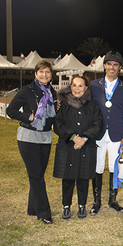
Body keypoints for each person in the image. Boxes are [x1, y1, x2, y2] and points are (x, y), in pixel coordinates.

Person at [6, 60, 57, 224]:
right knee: (36, 176)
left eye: (47, 72)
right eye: (41, 72)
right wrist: (28, 117)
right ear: (35, 74)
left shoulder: (52, 93)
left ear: (51, 74)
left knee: (38, 175)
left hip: (46, 137)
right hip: (28, 137)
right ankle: (44, 213)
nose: (44, 75)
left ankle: (32, 207)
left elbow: (55, 115)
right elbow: (10, 110)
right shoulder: (26, 91)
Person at [53, 75, 103, 220]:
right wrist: (74, 137)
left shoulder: (93, 105)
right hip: (68, 145)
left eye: (80, 85)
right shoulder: (63, 104)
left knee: (83, 177)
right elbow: (58, 125)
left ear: (86, 88)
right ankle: (66, 206)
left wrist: (84, 138)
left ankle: (82, 205)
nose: (77, 89)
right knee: (68, 178)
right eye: (74, 85)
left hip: (86, 146)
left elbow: (97, 125)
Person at [90, 50, 123, 215]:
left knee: (115, 168)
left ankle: (113, 200)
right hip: (98, 133)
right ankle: (96, 202)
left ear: (119, 68)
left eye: (115, 65)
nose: (112, 67)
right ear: (105, 66)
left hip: (116, 134)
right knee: (98, 167)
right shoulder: (94, 85)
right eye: (109, 64)